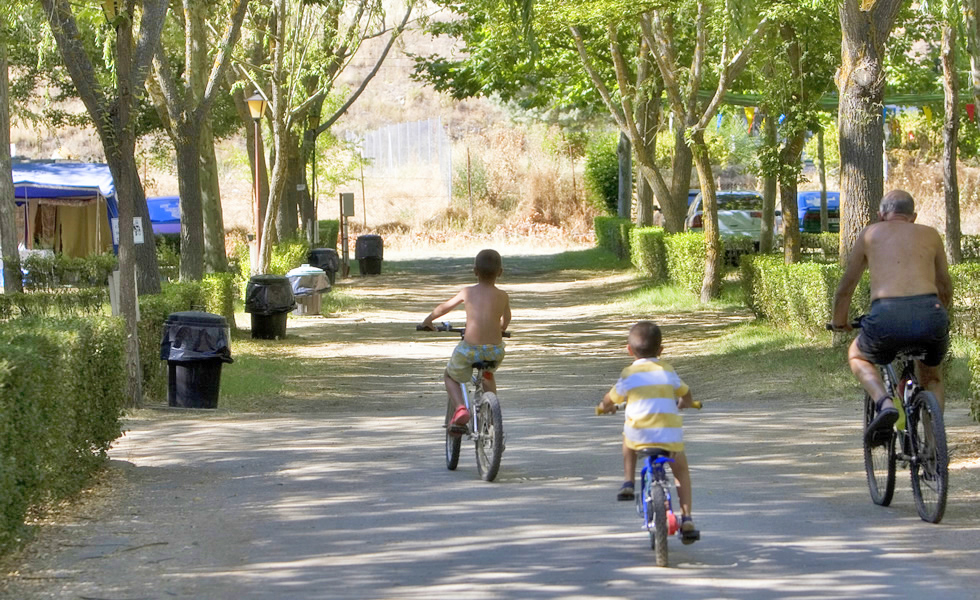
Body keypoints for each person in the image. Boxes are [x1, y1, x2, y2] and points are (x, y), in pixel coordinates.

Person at [831, 189, 952, 443]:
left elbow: (846, 287)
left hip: (887, 315)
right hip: (930, 313)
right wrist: (938, 317)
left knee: (857, 355)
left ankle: (885, 403)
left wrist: (839, 321)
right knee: (931, 378)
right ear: (913, 216)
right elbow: (944, 287)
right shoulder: (931, 235)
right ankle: (934, 447)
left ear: (881, 215)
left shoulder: (870, 234)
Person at [596, 321, 700, 544]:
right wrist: (686, 402)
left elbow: (610, 398)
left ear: (629, 350)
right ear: (661, 350)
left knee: (628, 439)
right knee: (681, 471)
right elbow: (685, 391)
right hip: (669, 436)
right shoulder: (667, 370)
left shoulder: (629, 373)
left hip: (639, 435)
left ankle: (628, 482)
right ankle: (687, 519)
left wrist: (605, 407)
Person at [420, 249, 511, 428]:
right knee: (487, 373)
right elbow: (506, 319)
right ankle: (492, 413)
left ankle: (461, 408)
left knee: (449, 375)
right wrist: (501, 328)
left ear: (475, 271)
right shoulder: (503, 295)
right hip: (494, 350)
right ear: (500, 272)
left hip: (470, 349)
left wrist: (428, 320)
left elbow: (444, 307)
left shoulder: (467, 292)